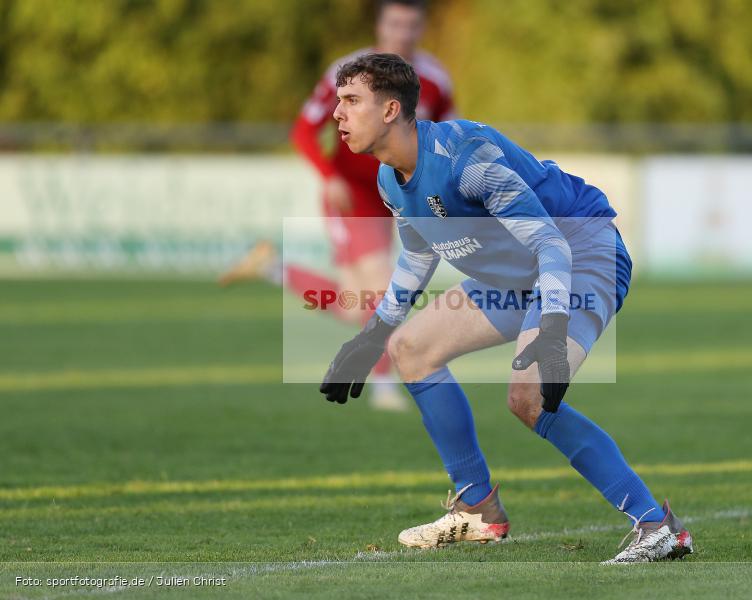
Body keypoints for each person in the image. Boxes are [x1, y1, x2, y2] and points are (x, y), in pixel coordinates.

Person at [318, 53, 694, 563]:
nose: (336, 114)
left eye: (350, 101)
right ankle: (477, 509)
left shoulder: (466, 161)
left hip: (582, 251)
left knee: (529, 397)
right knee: (410, 348)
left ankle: (658, 526)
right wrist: (370, 337)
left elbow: (552, 246)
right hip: (519, 277)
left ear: (389, 111)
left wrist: (554, 325)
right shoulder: (390, 179)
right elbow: (419, 253)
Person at [220, 0, 456, 411]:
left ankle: (272, 267)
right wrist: (329, 176)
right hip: (351, 193)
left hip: (397, 195)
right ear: (381, 26)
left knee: (354, 304)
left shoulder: (434, 79)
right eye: (395, 23)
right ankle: (383, 385)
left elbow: (447, 134)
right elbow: (304, 129)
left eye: (411, 25)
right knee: (383, 291)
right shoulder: (348, 72)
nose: (403, 33)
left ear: (421, 28)